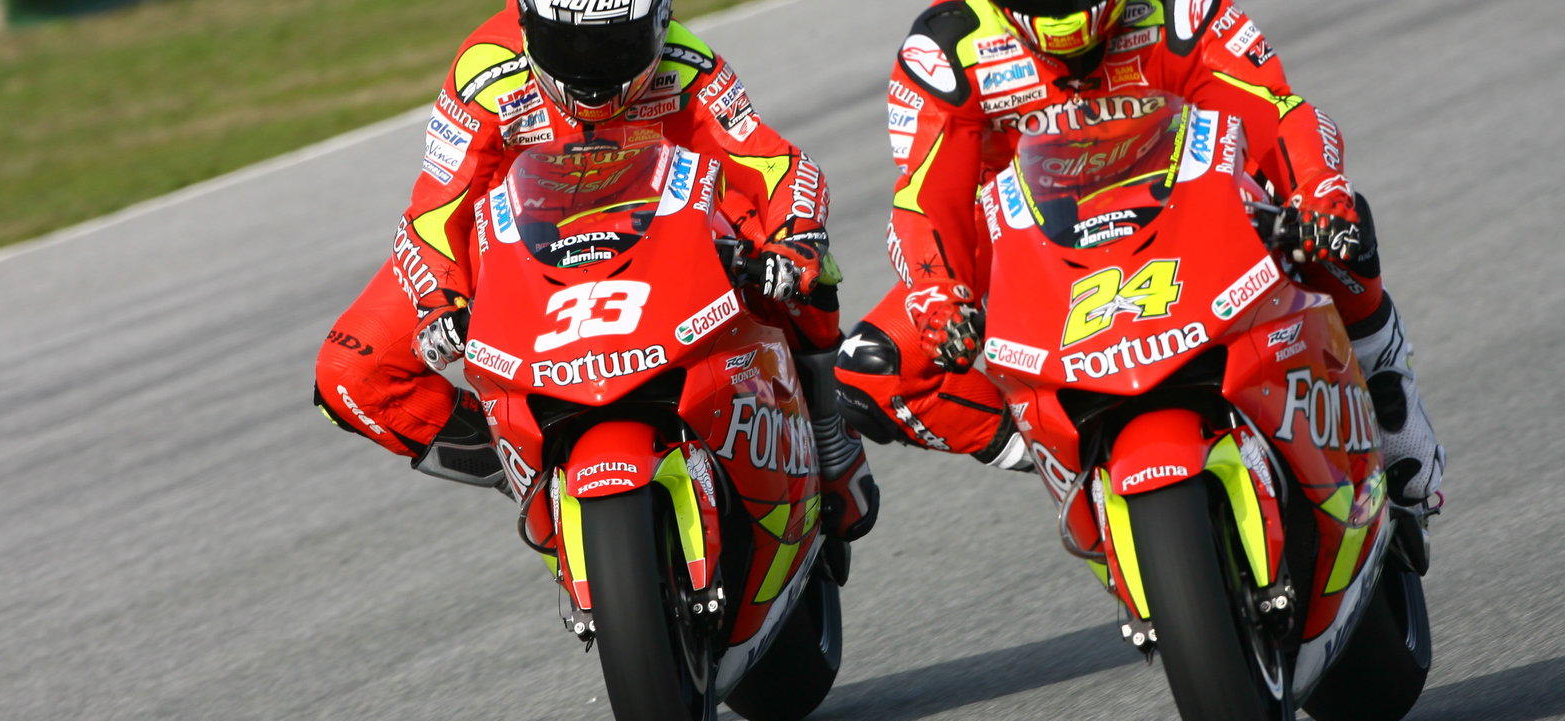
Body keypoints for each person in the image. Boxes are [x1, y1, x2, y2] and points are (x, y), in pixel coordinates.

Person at [834, 0, 1444, 510]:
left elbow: (1274, 109)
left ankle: (1384, 377)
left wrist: (1319, 190)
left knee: (1337, 226)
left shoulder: (1177, 11)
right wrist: (939, 291)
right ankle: (1073, 460)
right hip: (1034, 245)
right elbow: (925, 196)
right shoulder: (944, 51)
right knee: (876, 370)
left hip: (1193, 208)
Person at [314, 0, 879, 541]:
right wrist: (443, 300)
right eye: (568, 42)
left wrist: (796, 234)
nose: (590, 68)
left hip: (660, 222)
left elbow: (771, 160)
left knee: (798, 257)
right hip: (514, 242)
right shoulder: (485, 72)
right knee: (350, 373)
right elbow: (436, 208)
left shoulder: (686, 61)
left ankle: (830, 435)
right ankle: (534, 468)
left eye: (614, 43)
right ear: (529, 22)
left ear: (659, 21)